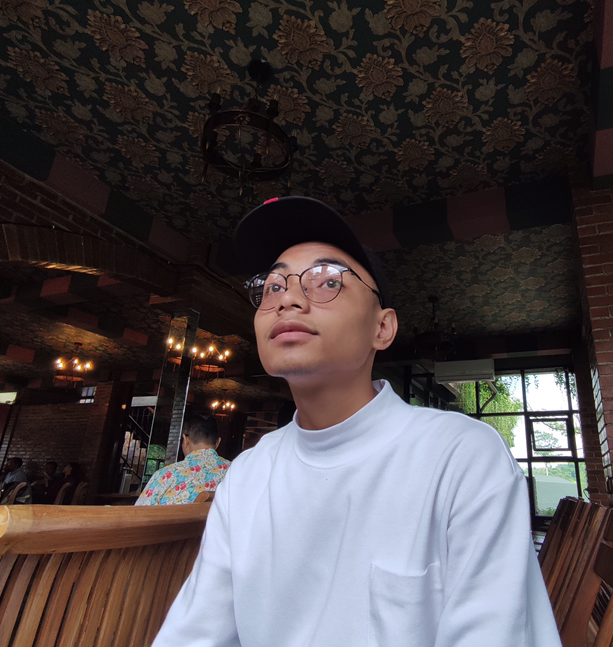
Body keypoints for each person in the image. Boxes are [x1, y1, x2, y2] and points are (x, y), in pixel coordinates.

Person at [152, 197, 561, 647]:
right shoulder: (248, 475)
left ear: (382, 329)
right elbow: (195, 635)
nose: (287, 299)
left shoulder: (461, 457)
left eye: (328, 281)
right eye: (272, 287)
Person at [136, 413, 230, 505]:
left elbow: (139, 512)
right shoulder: (232, 472)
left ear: (185, 440)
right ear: (218, 442)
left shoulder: (165, 475)